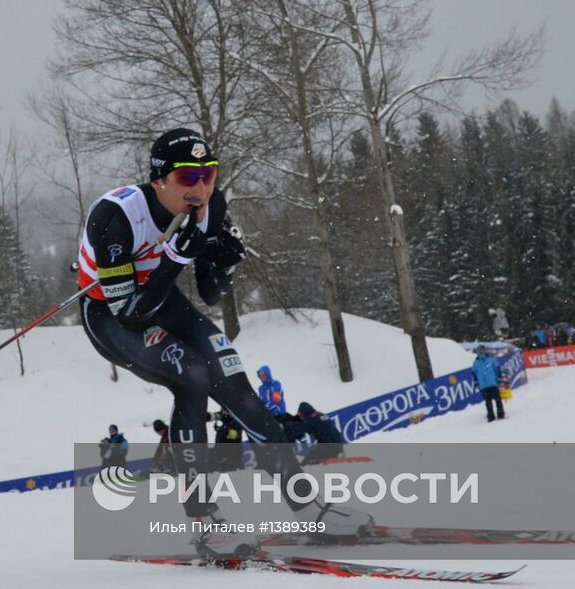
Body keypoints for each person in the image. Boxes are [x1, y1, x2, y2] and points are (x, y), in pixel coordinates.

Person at [76, 128, 362, 544]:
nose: (202, 187)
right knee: (191, 376)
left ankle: (308, 508)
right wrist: (175, 257)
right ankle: (204, 519)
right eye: (188, 177)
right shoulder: (115, 216)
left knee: (232, 377)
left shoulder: (212, 205)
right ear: (159, 180)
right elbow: (130, 314)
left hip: (159, 296)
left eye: (209, 174)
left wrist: (226, 264)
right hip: (109, 312)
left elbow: (211, 292)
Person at [280, 401, 346, 463]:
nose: (300, 417)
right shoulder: (320, 415)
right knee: (311, 454)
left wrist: (284, 424)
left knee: (306, 463)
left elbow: (298, 429)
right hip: (338, 446)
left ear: (304, 413)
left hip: (329, 449)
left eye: (300, 415)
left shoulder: (312, 421)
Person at [471, 349, 506, 422]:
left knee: (497, 400)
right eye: (479, 352)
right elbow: (474, 374)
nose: (481, 353)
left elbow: (497, 369)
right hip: (484, 386)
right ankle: (491, 416)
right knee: (488, 402)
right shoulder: (476, 363)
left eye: (482, 351)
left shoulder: (491, 360)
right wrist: (476, 383)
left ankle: (500, 414)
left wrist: (499, 379)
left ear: (485, 351)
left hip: (492, 383)